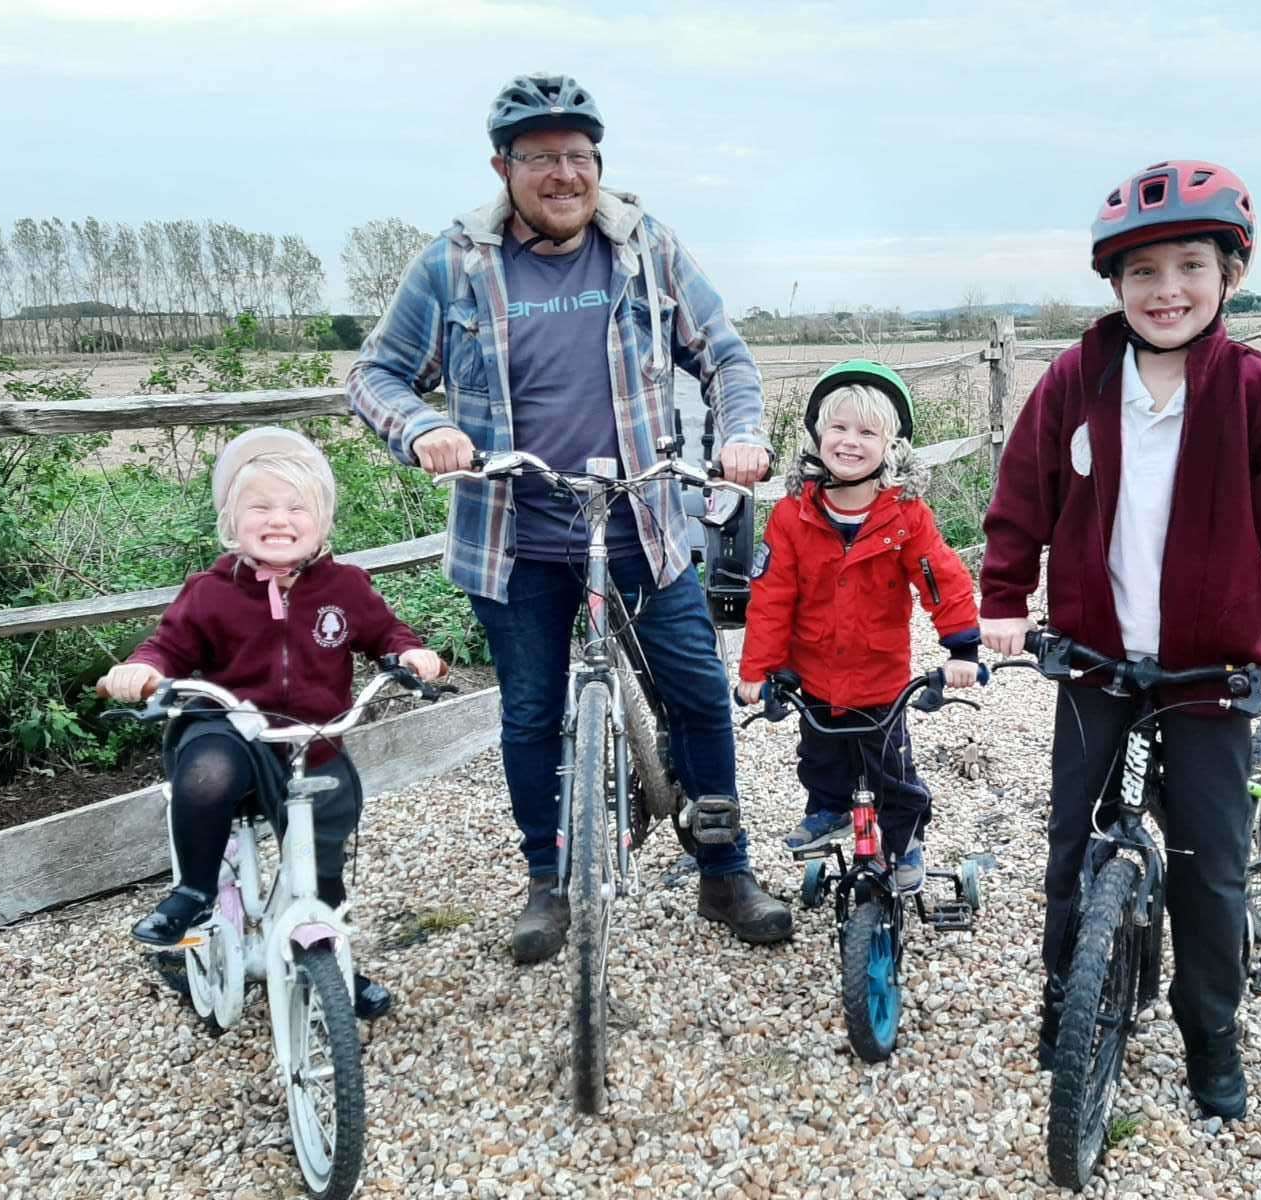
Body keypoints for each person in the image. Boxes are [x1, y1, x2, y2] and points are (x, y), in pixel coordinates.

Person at [347, 72, 792, 960]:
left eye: (578, 156)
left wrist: (742, 433)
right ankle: (546, 883)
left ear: (599, 164)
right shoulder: (453, 263)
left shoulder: (645, 246)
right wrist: (425, 426)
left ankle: (724, 869)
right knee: (528, 715)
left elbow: (725, 355)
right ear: (502, 166)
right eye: (540, 157)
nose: (563, 174)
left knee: (701, 694)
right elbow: (373, 374)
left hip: (645, 523)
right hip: (515, 539)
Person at [978, 161, 1261, 1118]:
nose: (1167, 290)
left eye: (1191, 264)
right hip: (1097, 662)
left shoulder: (1255, 394)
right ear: (1116, 283)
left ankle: (1211, 1036)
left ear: (1230, 273)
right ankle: (1068, 995)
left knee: (1207, 864)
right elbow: (1022, 496)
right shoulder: (1077, 378)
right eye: (1143, 271)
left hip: (1211, 669)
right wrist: (1004, 598)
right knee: (1072, 843)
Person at [97, 426, 446, 1020]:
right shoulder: (210, 592)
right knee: (205, 774)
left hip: (310, 744)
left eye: (295, 508)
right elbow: (166, 648)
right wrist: (139, 670)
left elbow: (389, 634)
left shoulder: (346, 587)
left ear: (323, 522)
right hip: (228, 727)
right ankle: (195, 892)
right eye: (259, 507)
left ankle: (329, 954)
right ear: (232, 523)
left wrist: (412, 655)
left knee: (323, 858)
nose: (278, 519)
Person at [736, 361, 982, 893]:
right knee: (820, 755)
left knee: (889, 769)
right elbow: (772, 598)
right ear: (818, 436)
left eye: (867, 432)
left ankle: (905, 840)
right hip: (814, 673)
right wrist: (758, 670)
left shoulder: (906, 516)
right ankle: (828, 808)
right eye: (839, 428)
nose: (850, 441)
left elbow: (941, 581)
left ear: (890, 447)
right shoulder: (792, 515)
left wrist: (962, 649)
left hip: (879, 680)